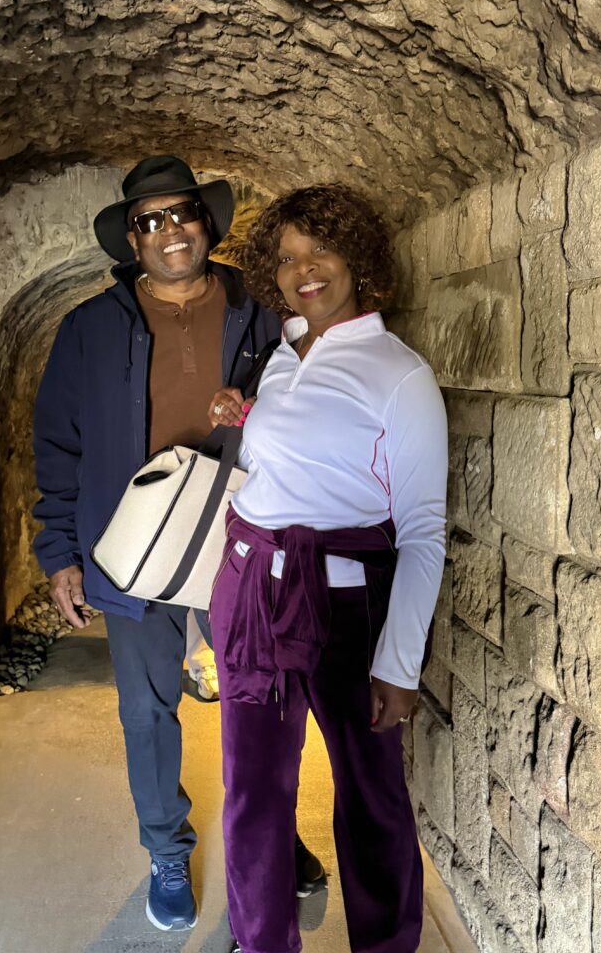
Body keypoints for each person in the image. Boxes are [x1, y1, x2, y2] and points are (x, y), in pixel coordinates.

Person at [32, 157, 324, 934]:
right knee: (147, 710)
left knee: (261, 703)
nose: (169, 232)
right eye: (150, 220)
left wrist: (255, 403)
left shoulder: (260, 311)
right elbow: (57, 444)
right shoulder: (89, 329)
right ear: (132, 239)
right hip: (133, 553)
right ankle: (166, 848)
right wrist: (59, 551)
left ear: (206, 221)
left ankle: (270, 833)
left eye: (181, 213)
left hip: (243, 539)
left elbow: (309, 398)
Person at [207, 184, 448, 953]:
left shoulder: (398, 374)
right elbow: (292, 458)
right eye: (286, 259)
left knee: (371, 798)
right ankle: (261, 943)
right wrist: (243, 413)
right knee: (253, 798)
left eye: (319, 251)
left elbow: (420, 531)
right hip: (251, 596)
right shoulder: (282, 353)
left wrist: (399, 664)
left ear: (356, 257)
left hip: (346, 606)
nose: (303, 271)